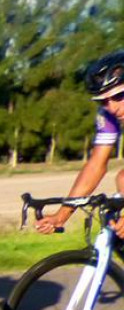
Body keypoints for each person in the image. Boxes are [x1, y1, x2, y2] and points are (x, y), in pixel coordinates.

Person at [35, 50, 124, 237]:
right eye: (103, 101)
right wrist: (61, 216)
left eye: (118, 96)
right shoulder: (108, 116)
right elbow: (96, 166)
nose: (112, 107)